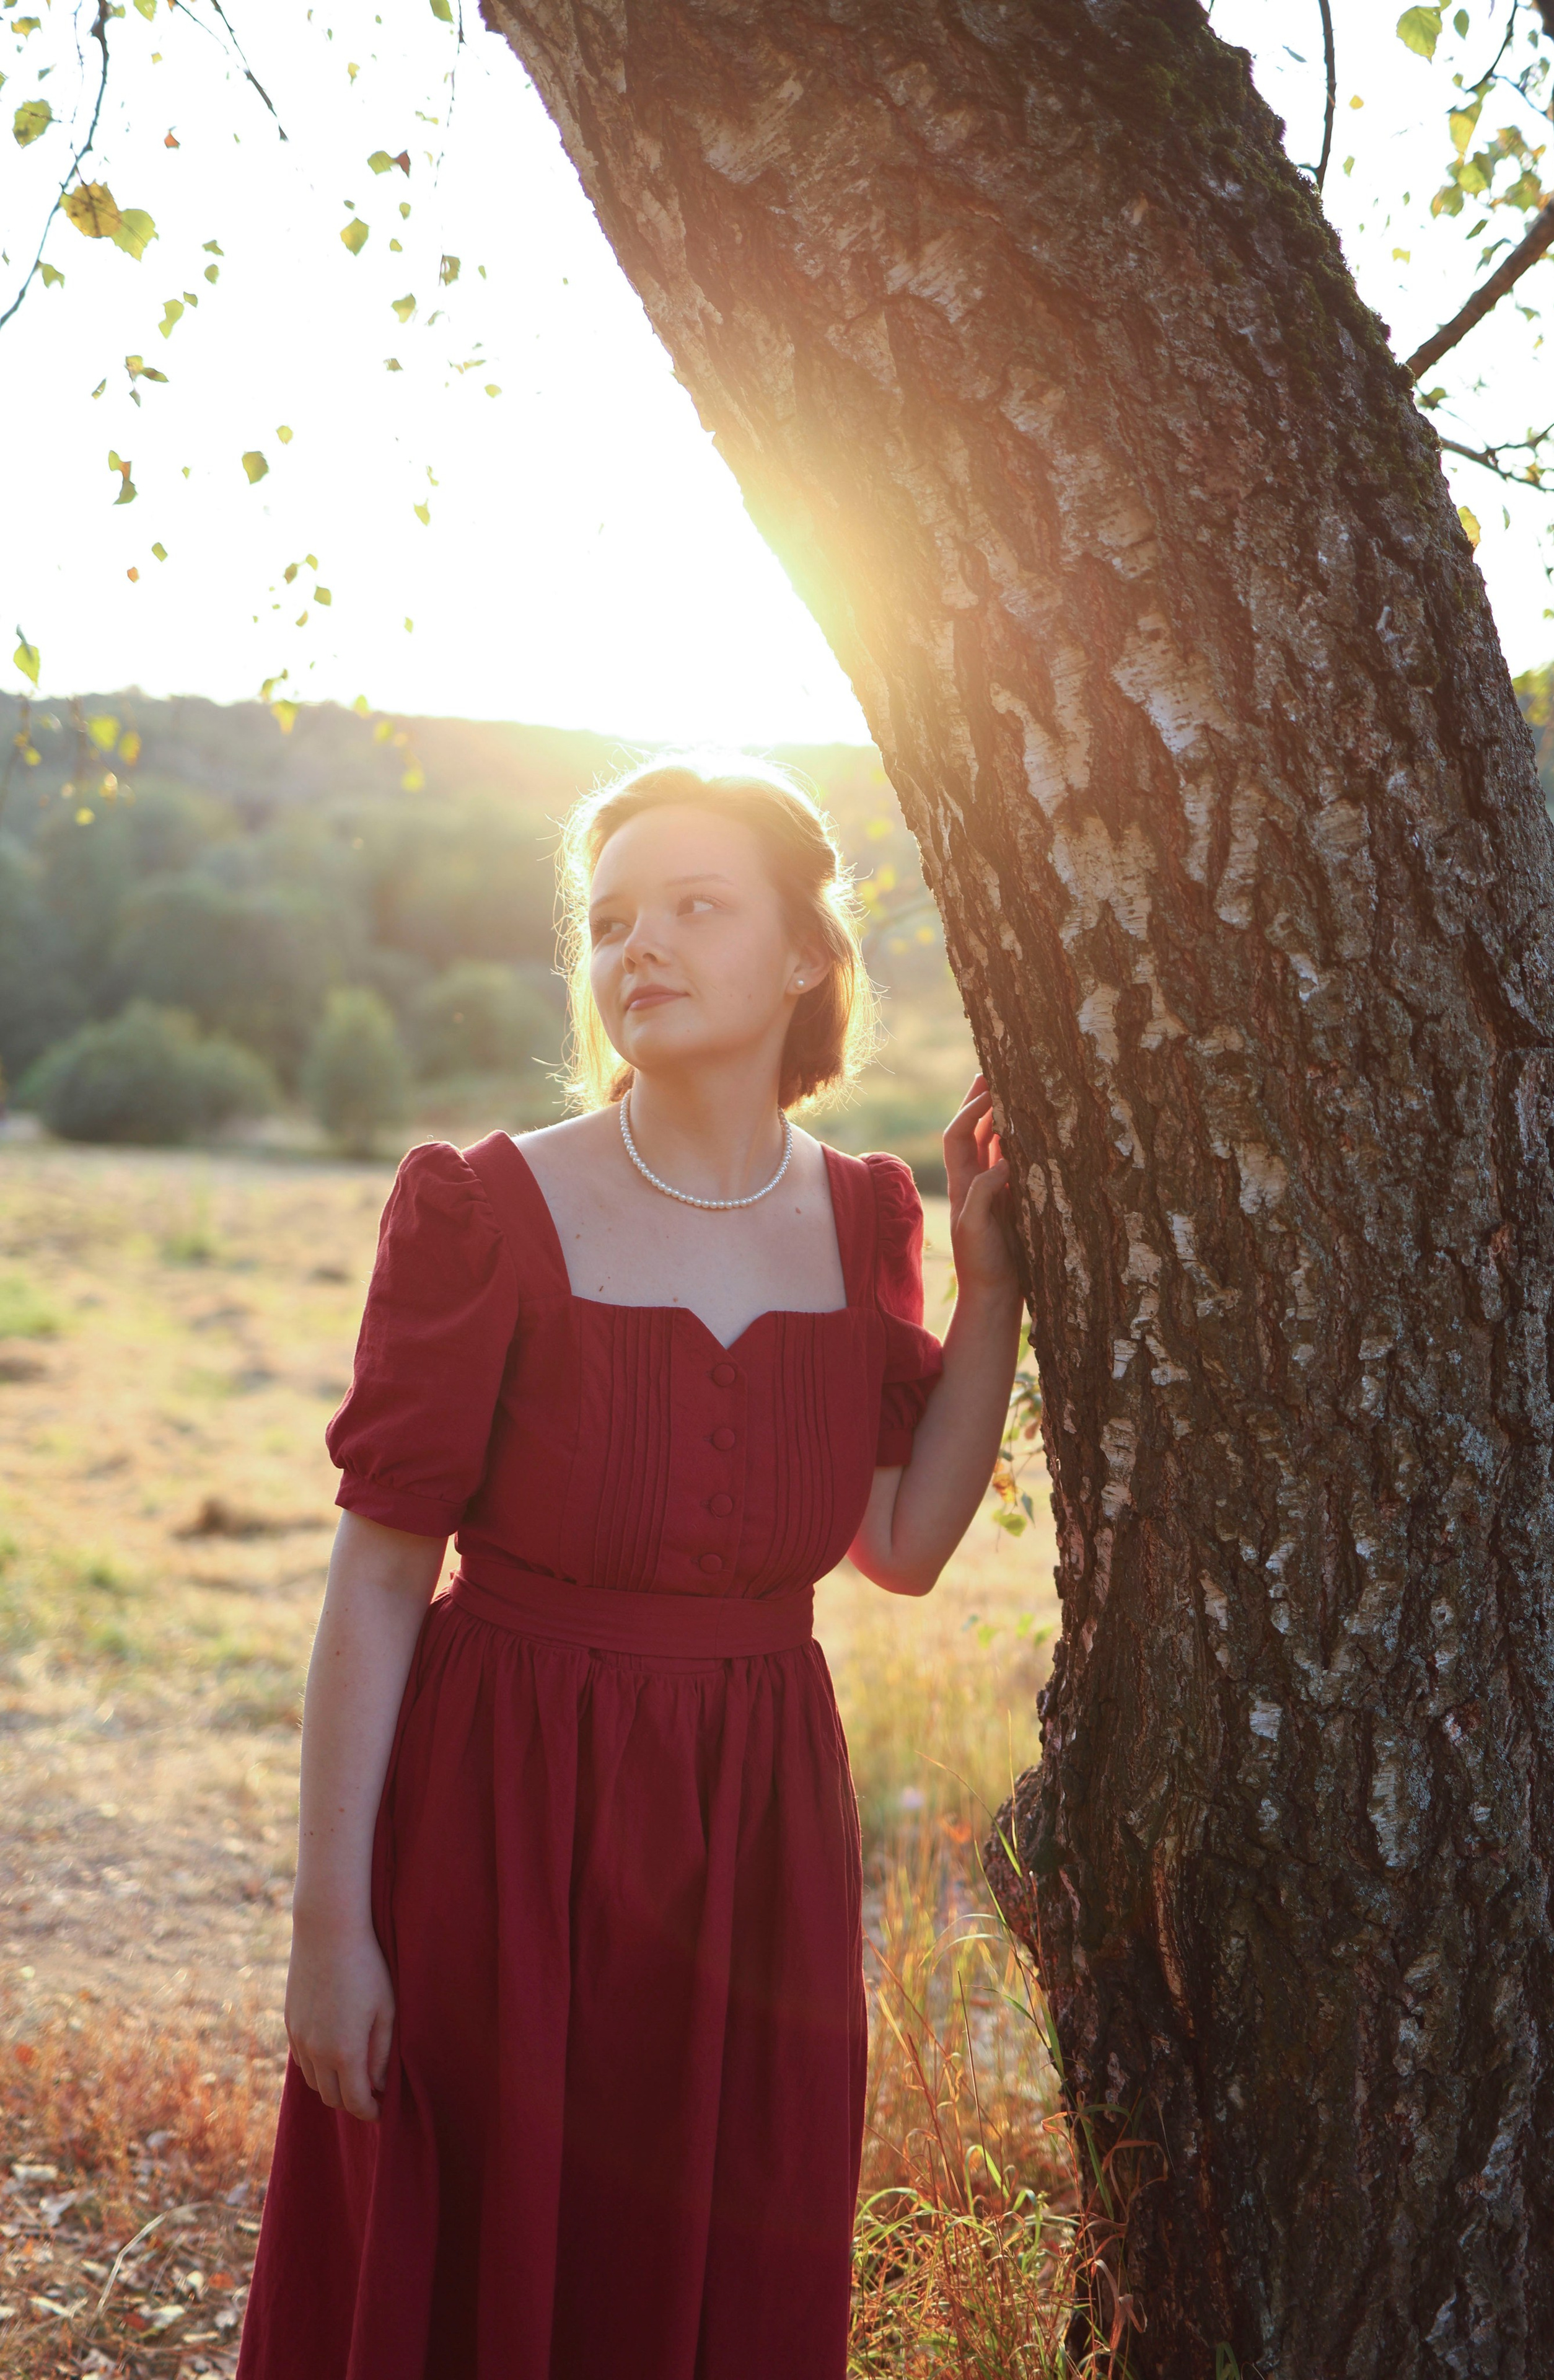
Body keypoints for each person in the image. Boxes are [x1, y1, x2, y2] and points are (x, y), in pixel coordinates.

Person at [237, 757, 1024, 2380]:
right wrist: (332, 1925)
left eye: (694, 906)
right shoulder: (488, 1210)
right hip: (498, 1819)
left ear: (807, 955)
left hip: (751, 1838)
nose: (636, 948)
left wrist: (996, 1286)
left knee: (708, 2270)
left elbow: (901, 1548)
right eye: (608, 922)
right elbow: (379, 1580)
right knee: (477, 2277)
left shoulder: (867, 1216)